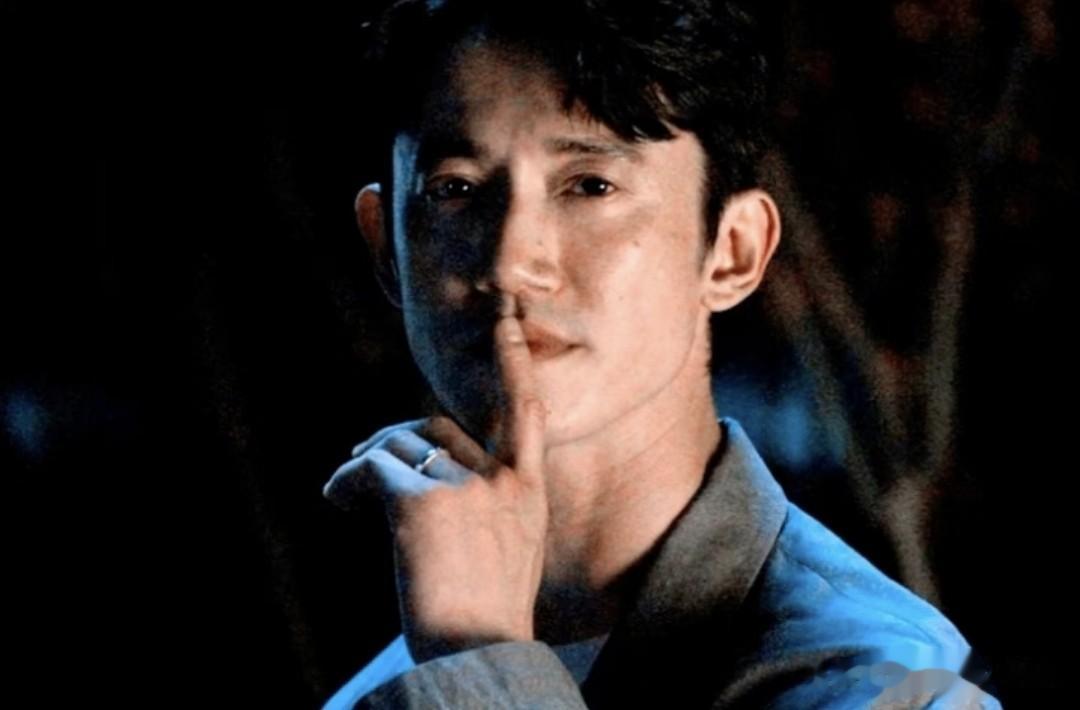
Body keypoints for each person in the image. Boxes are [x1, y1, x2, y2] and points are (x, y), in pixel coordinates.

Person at [322, 0, 1001, 707]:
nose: (511, 262)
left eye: (590, 186)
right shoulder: (389, 689)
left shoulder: (893, 683)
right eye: (455, 190)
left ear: (733, 251)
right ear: (385, 246)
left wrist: (481, 664)